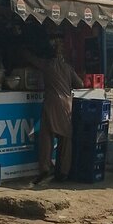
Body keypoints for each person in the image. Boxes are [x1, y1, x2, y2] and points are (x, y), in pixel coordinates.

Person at [29, 38, 83, 183]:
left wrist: (21, 51)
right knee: (65, 138)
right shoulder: (68, 67)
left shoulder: (46, 64)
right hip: (66, 105)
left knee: (46, 136)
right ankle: (63, 171)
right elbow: (80, 84)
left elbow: (31, 60)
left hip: (51, 103)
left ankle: (45, 167)